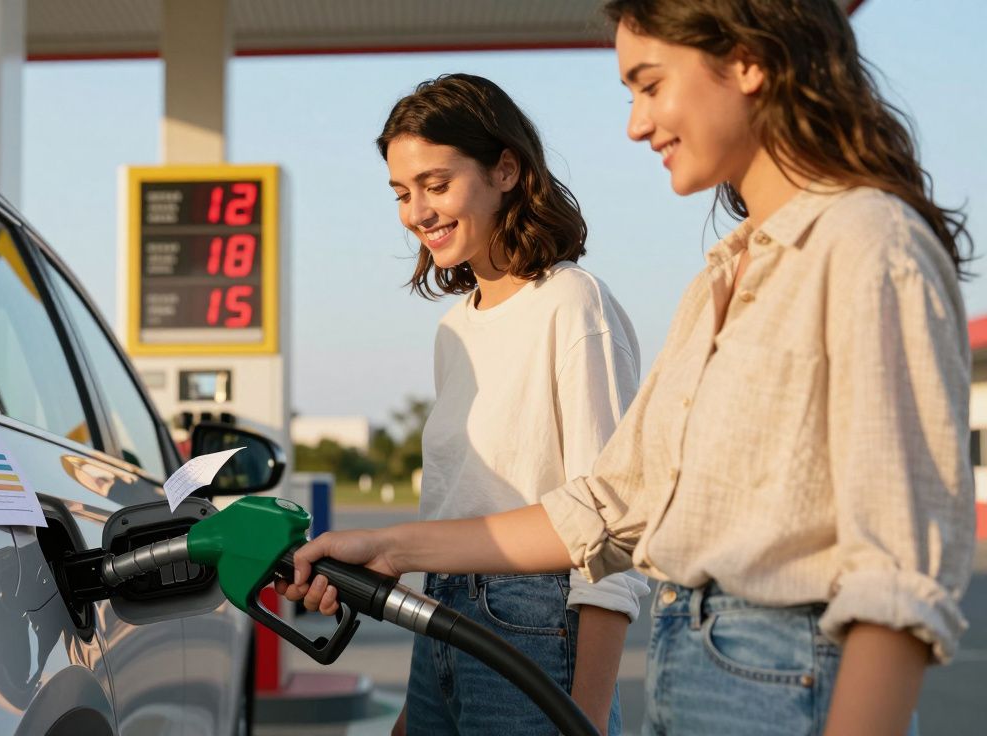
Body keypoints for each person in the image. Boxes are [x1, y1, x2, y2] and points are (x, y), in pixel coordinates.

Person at [279, 2, 975, 734]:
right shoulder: (721, 278)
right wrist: (384, 547)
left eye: (650, 84)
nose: (636, 125)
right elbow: (610, 504)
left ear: (747, 60)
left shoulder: (869, 244)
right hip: (691, 661)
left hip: (785, 675)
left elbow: (898, 586)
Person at [371, 74, 649, 735]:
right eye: (402, 193)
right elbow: (453, 513)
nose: (417, 211)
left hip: (536, 625)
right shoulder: (455, 330)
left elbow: (608, 532)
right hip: (440, 616)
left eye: (436, 185)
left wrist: (587, 716)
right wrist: (422, 696)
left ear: (505, 170)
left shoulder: (572, 303)